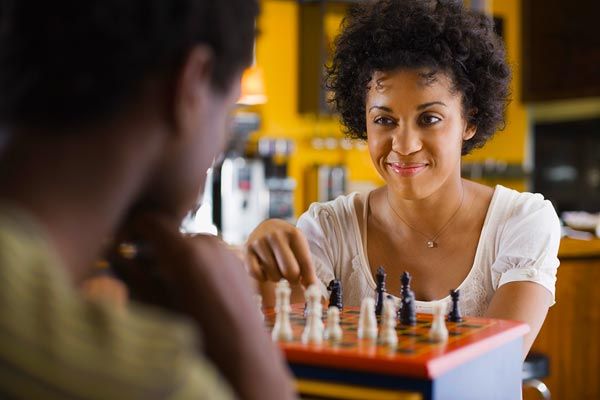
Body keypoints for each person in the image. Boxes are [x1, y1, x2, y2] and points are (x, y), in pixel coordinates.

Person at [0, 0, 295, 399]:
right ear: (191, 86)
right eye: (227, 116)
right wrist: (253, 358)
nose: (219, 146)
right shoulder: (155, 378)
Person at [245, 0, 561, 357]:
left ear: (469, 121)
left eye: (429, 119)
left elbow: (491, 369)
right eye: (384, 120)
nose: (404, 145)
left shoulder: (522, 222)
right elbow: (292, 358)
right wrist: (264, 271)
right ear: (361, 120)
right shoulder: (327, 229)